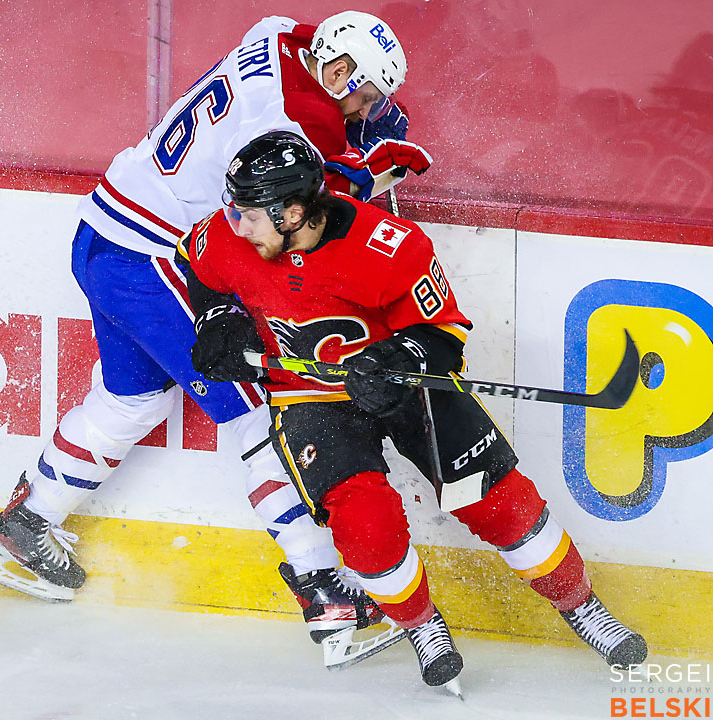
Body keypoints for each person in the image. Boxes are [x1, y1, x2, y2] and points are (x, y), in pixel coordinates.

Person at [0, 11, 431, 662]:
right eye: (365, 93)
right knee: (262, 411)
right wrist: (363, 169)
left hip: (102, 233)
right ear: (339, 68)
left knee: (133, 398)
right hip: (152, 259)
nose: (365, 106)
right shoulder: (298, 127)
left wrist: (344, 145)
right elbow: (291, 212)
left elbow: (283, 81)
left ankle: (26, 525)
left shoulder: (277, 33)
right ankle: (326, 592)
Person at [177, 130, 648, 688]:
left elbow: (444, 333)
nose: (236, 224)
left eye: (250, 214)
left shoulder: (388, 246)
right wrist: (214, 319)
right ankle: (421, 625)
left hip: (407, 382)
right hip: (311, 394)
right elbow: (195, 263)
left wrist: (396, 356)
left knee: (499, 502)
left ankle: (581, 606)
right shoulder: (228, 239)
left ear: (293, 212)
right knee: (364, 525)